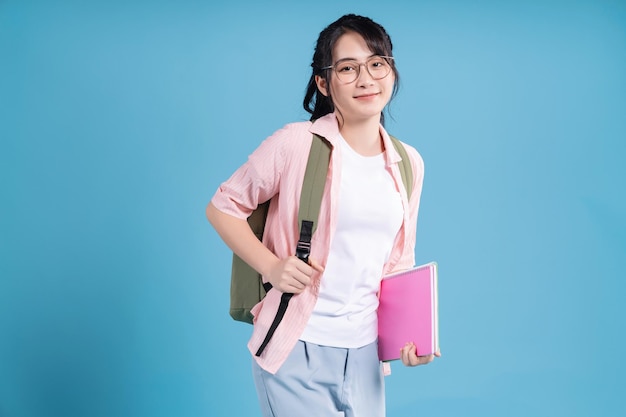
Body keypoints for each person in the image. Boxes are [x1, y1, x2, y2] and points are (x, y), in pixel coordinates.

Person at [206, 13, 439, 417]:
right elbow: (223, 207)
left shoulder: (408, 161)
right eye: (347, 68)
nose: (366, 78)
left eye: (377, 63)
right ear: (323, 83)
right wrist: (272, 267)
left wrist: (412, 340)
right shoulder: (296, 144)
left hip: (367, 356)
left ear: (391, 70)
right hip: (298, 347)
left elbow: (399, 262)